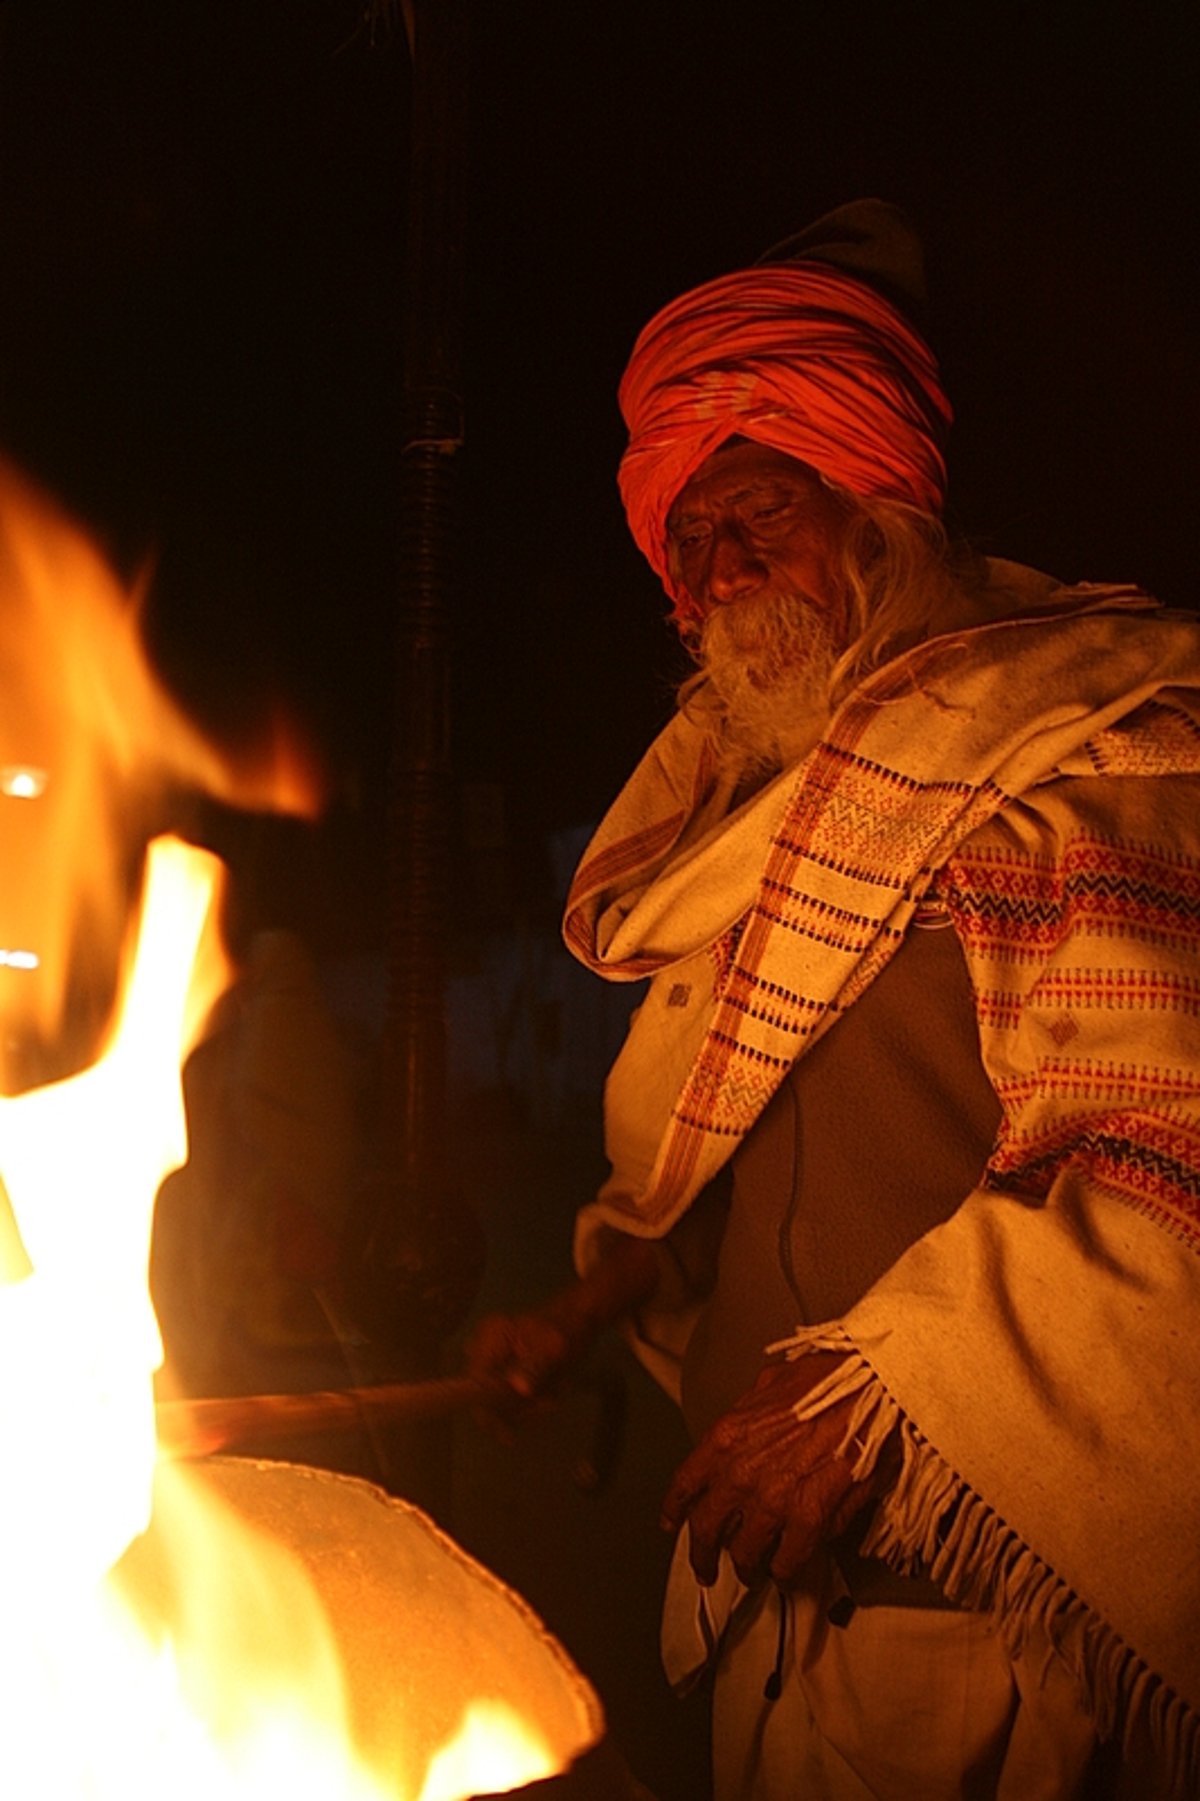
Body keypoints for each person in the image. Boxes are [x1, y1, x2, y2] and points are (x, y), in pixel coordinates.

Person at [467, 200, 1200, 1799]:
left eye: (759, 517)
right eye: (690, 546)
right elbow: (737, 1143)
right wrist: (604, 1294)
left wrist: (880, 1397)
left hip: (988, 1636)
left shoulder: (1079, 752)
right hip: (767, 1608)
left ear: (873, 509)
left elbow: (1173, 1164)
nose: (720, 574)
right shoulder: (760, 830)